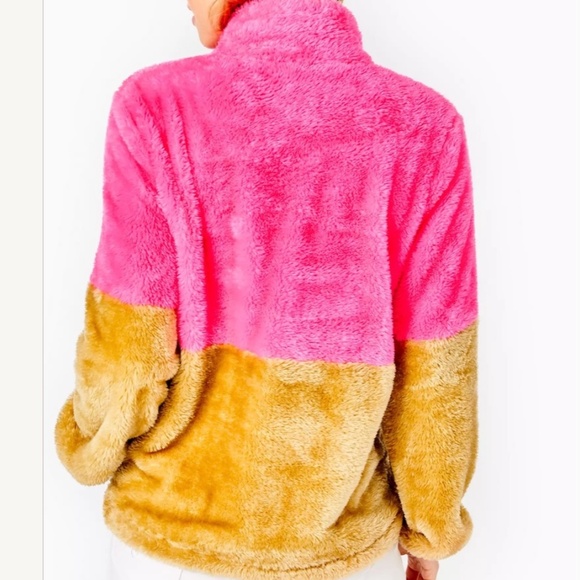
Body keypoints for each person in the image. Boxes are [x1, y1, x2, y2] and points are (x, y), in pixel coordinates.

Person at [53, 0, 479, 578]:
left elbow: (129, 348)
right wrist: (431, 525)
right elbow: (437, 373)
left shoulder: (155, 106)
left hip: (171, 538)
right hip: (340, 551)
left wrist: (89, 446)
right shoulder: (425, 127)